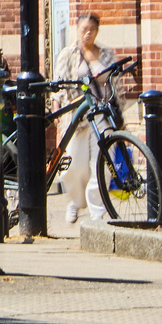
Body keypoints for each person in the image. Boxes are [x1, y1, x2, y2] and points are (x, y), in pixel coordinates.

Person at [52, 12, 117, 224]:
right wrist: (56, 106)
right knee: (74, 166)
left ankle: (97, 211)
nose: (87, 34)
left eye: (92, 30)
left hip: (101, 114)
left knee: (102, 161)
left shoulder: (106, 54)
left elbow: (116, 85)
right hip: (77, 115)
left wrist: (118, 112)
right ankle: (76, 202)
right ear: (77, 29)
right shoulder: (68, 54)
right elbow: (59, 84)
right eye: (84, 29)